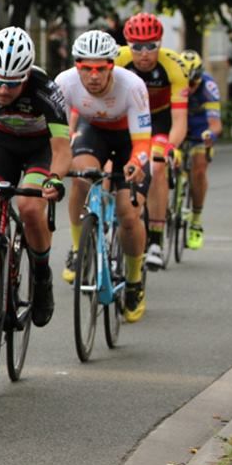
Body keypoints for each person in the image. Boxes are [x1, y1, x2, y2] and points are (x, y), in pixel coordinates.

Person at [0, 26, 71, 331]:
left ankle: (41, 274)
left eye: (11, 84)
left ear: (26, 76)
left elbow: (62, 149)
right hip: (1, 144)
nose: (2, 91)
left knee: (31, 207)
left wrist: (55, 179)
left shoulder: (45, 90)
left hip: (39, 148)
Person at [54, 30, 151, 323]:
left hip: (127, 140)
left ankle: (134, 281)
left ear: (112, 66)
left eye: (100, 68)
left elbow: (143, 141)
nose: (93, 76)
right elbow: (56, 136)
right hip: (93, 132)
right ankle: (76, 248)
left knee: (128, 214)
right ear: (77, 66)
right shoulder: (64, 83)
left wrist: (136, 162)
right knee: (81, 179)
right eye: (86, 68)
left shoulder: (132, 85)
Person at [114, 12, 189, 271]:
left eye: (151, 46)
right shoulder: (117, 61)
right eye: (137, 47)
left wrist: (171, 146)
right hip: (126, 120)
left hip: (159, 121)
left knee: (157, 165)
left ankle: (156, 239)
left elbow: (180, 119)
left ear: (160, 43)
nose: (144, 54)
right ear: (127, 45)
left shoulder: (174, 66)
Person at [180, 50, 221, 249]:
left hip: (199, 130)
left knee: (198, 168)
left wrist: (210, 135)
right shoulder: (172, 81)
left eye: (193, 84)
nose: (189, 88)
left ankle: (196, 220)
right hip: (177, 129)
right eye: (186, 83)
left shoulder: (209, 86)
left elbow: (215, 124)